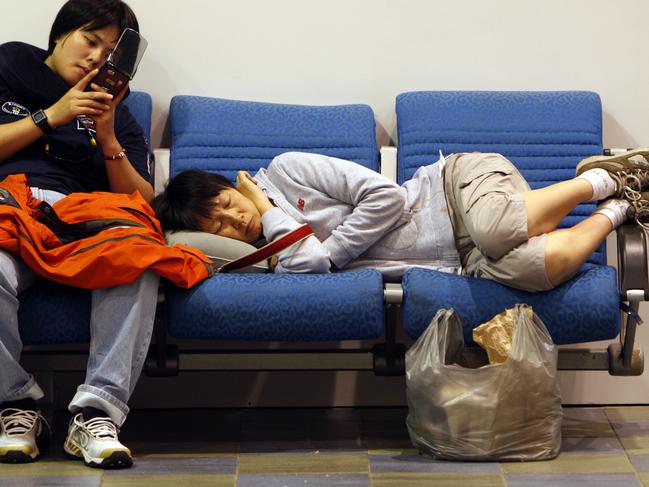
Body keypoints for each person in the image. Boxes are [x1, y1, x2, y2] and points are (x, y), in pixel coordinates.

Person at [0, 0, 156, 469]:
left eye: (110, 53)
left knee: (140, 258)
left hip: (82, 219)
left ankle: (95, 413)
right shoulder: (10, 64)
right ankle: (16, 405)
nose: (96, 59)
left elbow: (143, 200)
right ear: (60, 34)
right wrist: (52, 115)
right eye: (91, 40)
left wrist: (108, 138)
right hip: (12, 207)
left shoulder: (118, 111)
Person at [153, 149, 649, 292]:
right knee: (537, 268)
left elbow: (387, 197)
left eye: (225, 202)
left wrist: (273, 208)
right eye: (213, 225)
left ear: (230, 184)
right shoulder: (277, 254)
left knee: (495, 229)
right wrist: (270, 217)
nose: (232, 219)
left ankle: (607, 175)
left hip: (453, 190)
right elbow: (311, 267)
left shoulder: (286, 171)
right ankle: (622, 207)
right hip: (462, 259)